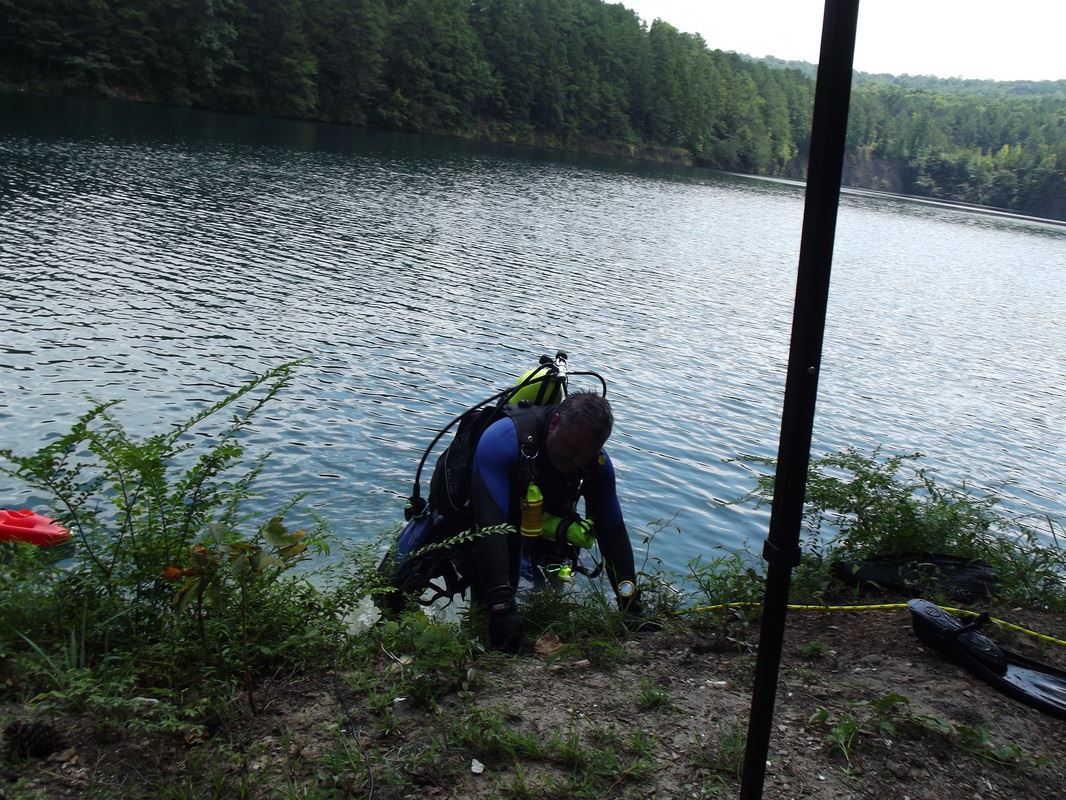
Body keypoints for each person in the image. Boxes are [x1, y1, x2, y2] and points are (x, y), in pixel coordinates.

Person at [466, 391, 646, 652]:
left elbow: (613, 532)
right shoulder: (502, 439)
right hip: (476, 518)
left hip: (530, 526)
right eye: (571, 450)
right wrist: (501, 605)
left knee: (531, 598)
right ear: (554, 423)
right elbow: (489, 529)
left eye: (584, 455)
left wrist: (631, 603)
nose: (575, 462)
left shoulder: (595, 463)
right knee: (487, 609)